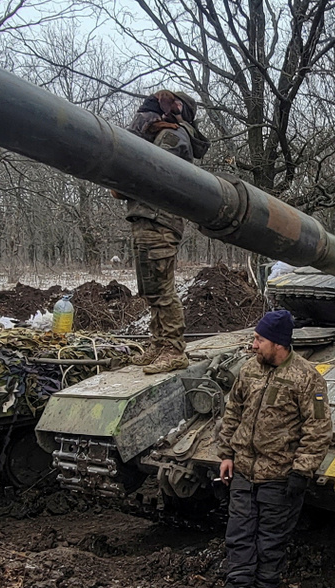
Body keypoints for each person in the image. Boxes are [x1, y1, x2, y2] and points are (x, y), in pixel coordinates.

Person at [215, 310, 332, 588]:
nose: (253, 345)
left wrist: (301, 471)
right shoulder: (249, 370)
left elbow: (318, 428)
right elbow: (232, 412)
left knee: (270, 544)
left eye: (259, 339)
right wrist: (226, 454)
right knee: (238, 538)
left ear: (278, 344)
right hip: (244, 472)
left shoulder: (308, 378)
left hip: (279, 477)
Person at [123, 89, 208, 375]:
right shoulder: (160, 133)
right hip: (146, 216)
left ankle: (173, 348)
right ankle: (159, 343)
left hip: (159, 219)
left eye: (173, 104)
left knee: (161, 289)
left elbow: (156, 171)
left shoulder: (174, 135)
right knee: (150, 289)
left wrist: (123, 180)